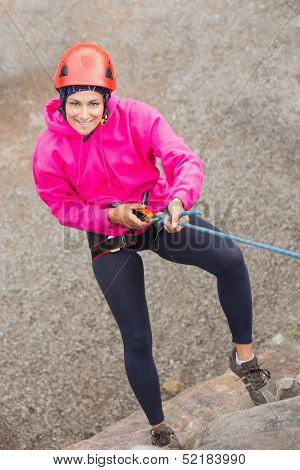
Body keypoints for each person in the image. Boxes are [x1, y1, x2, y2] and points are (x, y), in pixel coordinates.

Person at [32, 43, 279, 450]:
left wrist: (180, 200)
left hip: (160, 214)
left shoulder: (140, 118)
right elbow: (61, 207)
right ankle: (158, 427)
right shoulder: (49, 149)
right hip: (109, 232)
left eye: (94, 103)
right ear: (61, 100)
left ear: (107, 98)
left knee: (229, 257)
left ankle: (245, 360)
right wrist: (111, 215)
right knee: (136, 335)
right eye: (74, 103)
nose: (83, 114)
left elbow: (184, 160)